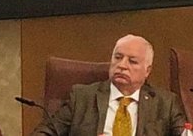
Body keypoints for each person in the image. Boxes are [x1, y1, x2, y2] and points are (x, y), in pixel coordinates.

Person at [30, 34, 186, 136]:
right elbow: (44, 133)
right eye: (118, 57)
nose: (122, 65)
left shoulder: (165, 103)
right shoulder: (82, 97)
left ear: (147, 71)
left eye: (132, 61)